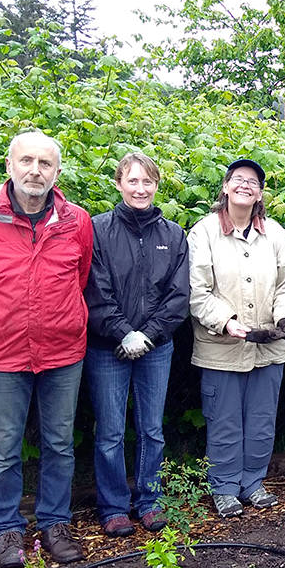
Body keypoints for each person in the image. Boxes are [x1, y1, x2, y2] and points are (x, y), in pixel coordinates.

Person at [0, 130, 92, 568]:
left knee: (59, 444)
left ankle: (54, 523)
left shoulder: (77, 221)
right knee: (1, 449)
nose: (35, 170)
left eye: (45, 163)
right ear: (9, 166)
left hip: (63, 350)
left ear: (57, 172)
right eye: (27, 161)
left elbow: (81, 276)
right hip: (2, 354)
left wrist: (65, 317)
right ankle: (7, 530)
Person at [187, 159, 285, 518]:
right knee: (224, 422)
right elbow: (197, 291)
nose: (245, 186)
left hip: (269, 348)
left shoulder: (277, 235)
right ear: (225, 187)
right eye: (238, 179)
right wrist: (226, 322)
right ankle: (223, 487)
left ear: (261, 193)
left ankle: (253, 483)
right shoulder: (203, 233)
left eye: (253, 182)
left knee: (262, 421)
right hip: (221, 348)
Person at [83, 152, 189, 537]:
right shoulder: (98, 230)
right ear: (119, 184)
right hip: (107, 347)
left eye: (148, 182)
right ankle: (112, 507)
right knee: (110, 431)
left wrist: (147, 334)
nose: (140, 189)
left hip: (156, 348)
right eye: (133, 181)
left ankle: (149, 501)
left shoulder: (173, 235)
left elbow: (178, 296)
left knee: (151, 429)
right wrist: (122, 331)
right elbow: (95, 288)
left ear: (157, 185)